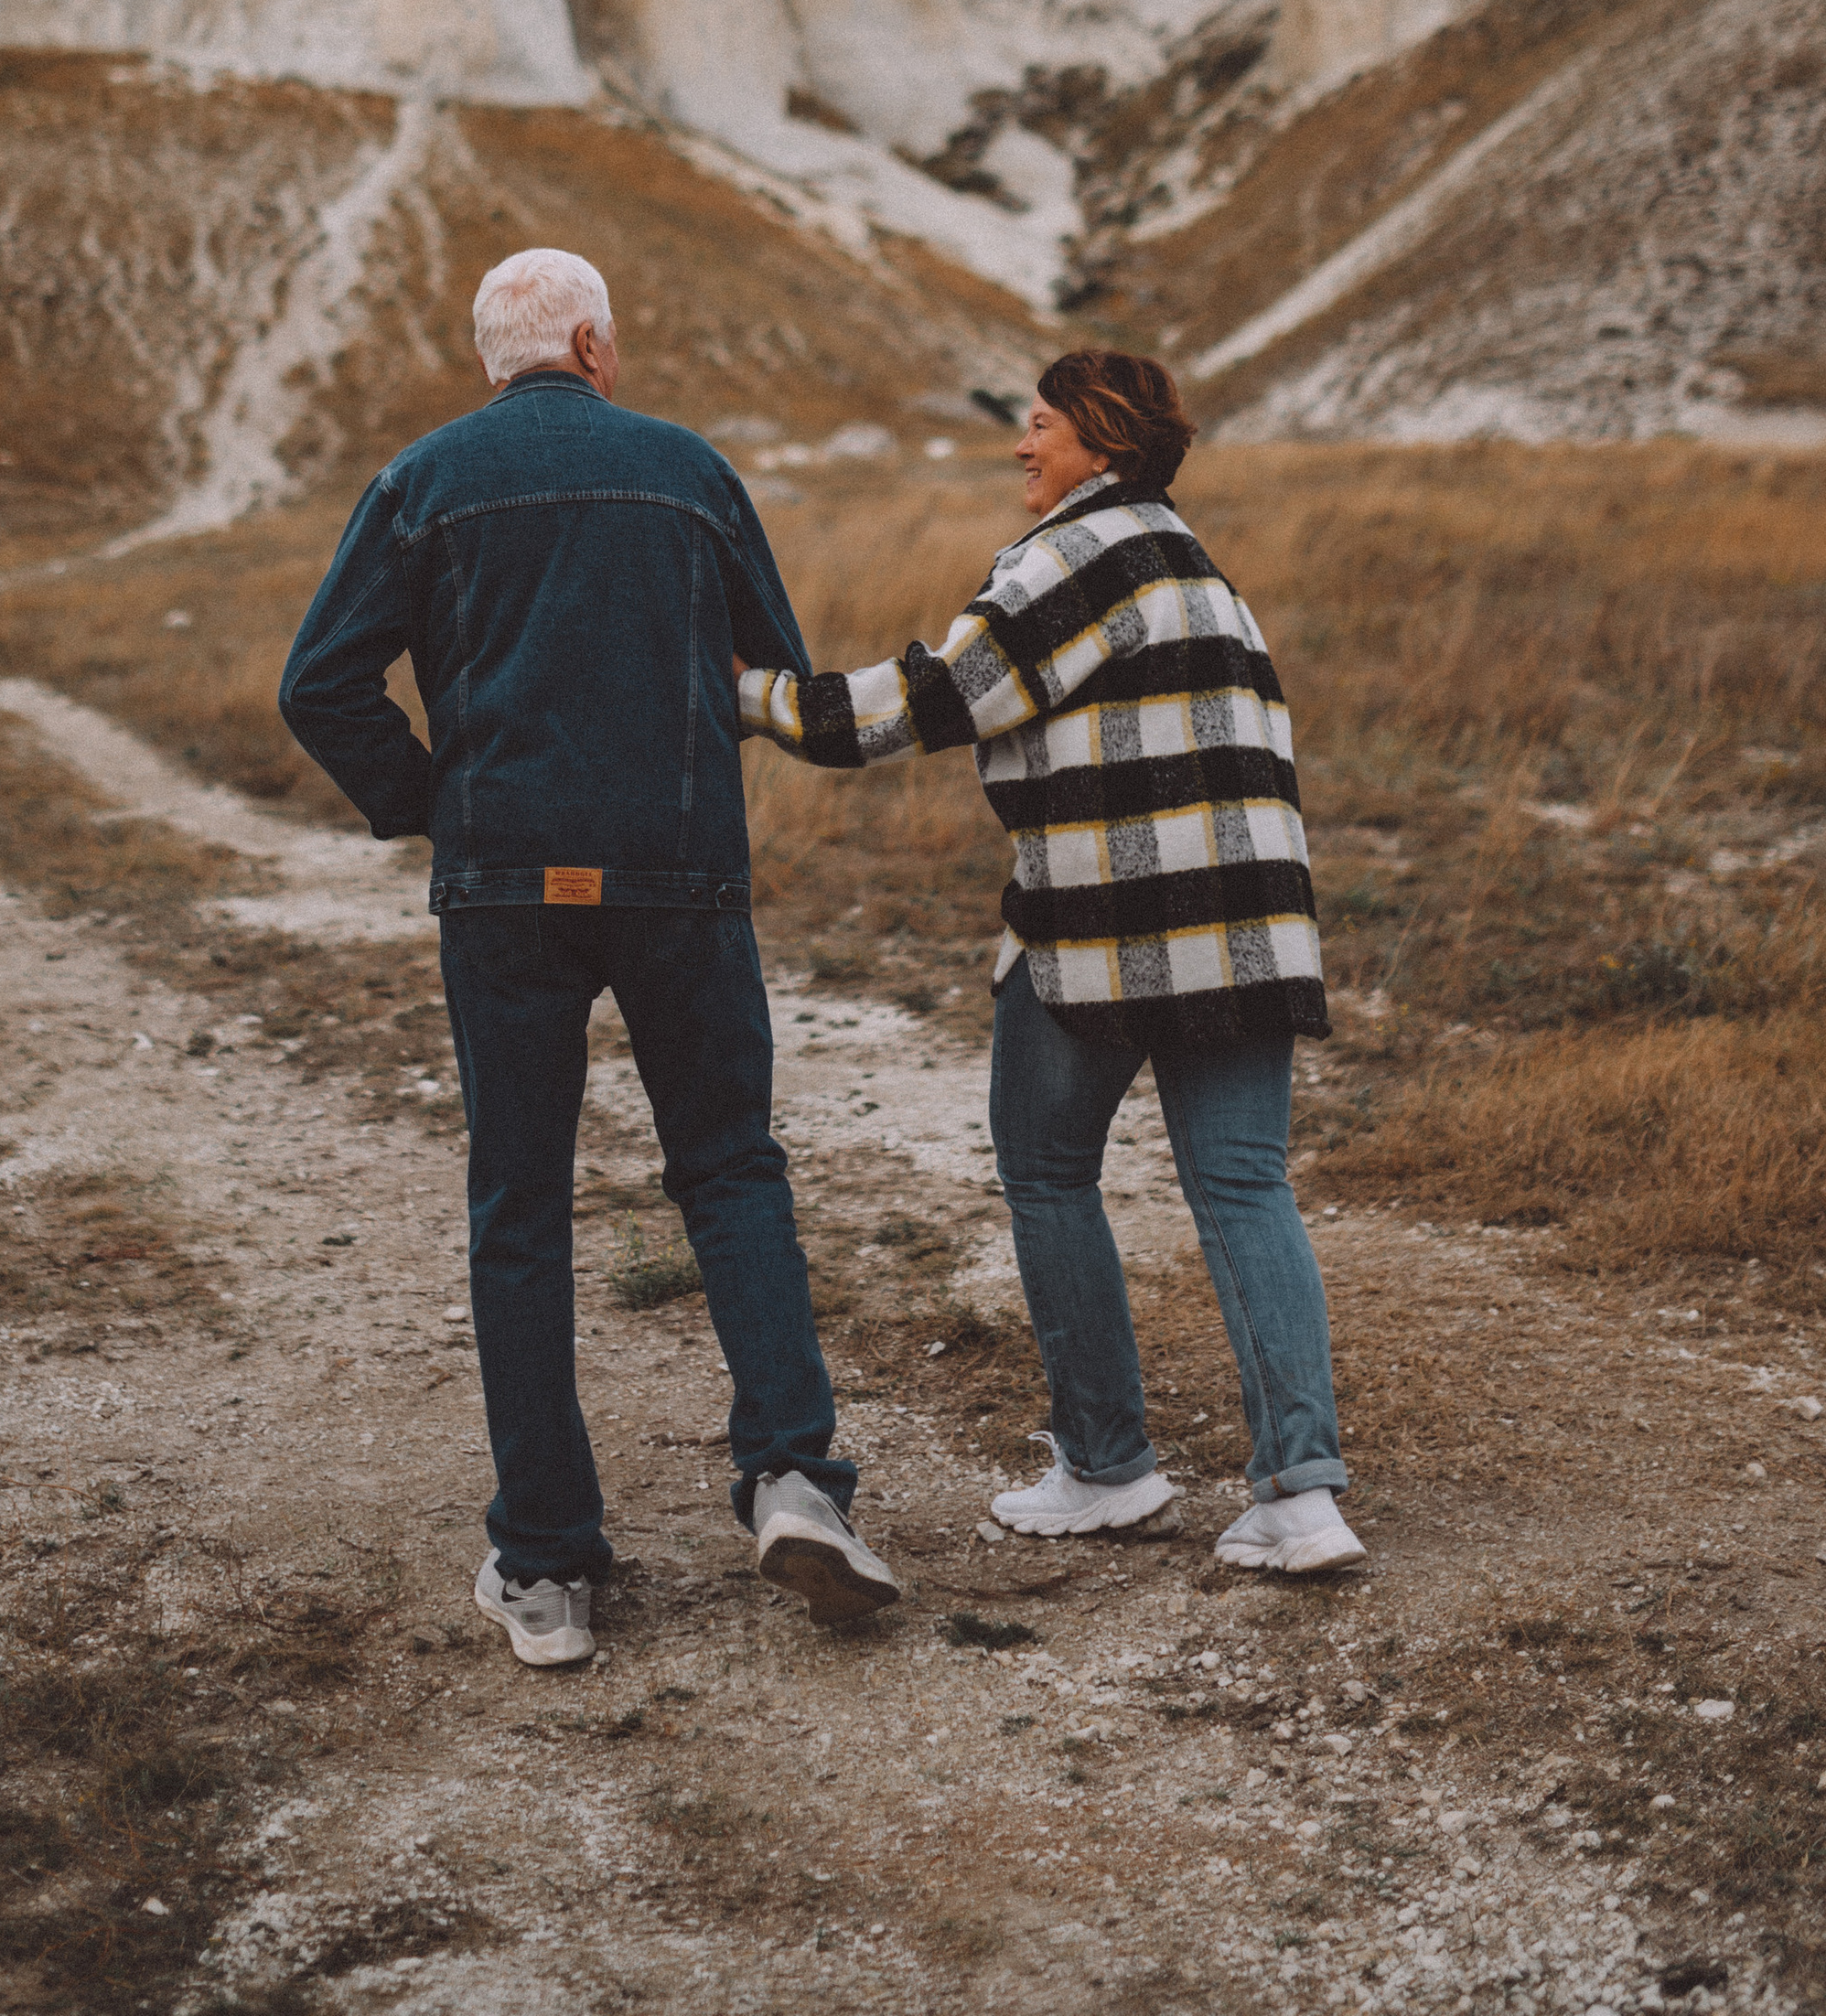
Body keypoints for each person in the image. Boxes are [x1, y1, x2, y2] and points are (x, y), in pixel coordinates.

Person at [277, 246, 899, 1668]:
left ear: (494, 361)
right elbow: (774, 673)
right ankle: (794, 1481)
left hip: (505, 883)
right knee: (730, 1165)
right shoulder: (686, 471)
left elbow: (319, 683)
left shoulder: (422, 481)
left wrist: (434, 800)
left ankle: (549, 1567)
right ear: (592, 343)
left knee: (521, 1206)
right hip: (680, 869)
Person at [736, 347, 1363, 1577]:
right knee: (1245, 1188)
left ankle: (1107, 1465)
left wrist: (750, 696)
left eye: (1041, 425)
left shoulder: (1067, 561)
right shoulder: (1202, 572)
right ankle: (1302, 1497)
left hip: (1104, 938)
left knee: (1047, 1172)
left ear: (1104, 441)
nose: (1022, 446)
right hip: (1250, 932)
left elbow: (919, 706)